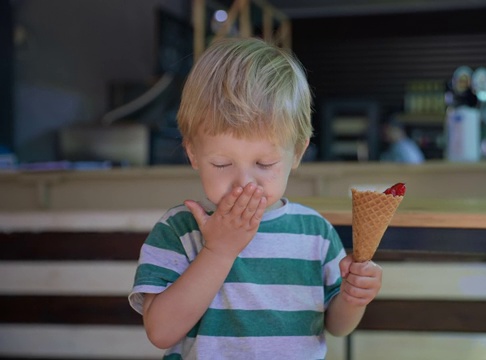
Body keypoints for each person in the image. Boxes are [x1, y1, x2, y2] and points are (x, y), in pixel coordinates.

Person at [128, 37, 383, 359]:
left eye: (265, 164)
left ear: (297, 153)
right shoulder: (180, 230)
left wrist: (353, 296)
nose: (243, 183)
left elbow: (337, 326)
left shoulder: (314, 232)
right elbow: (161, 332)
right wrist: (218, 250)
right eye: (221, 164)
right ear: (193, 153)